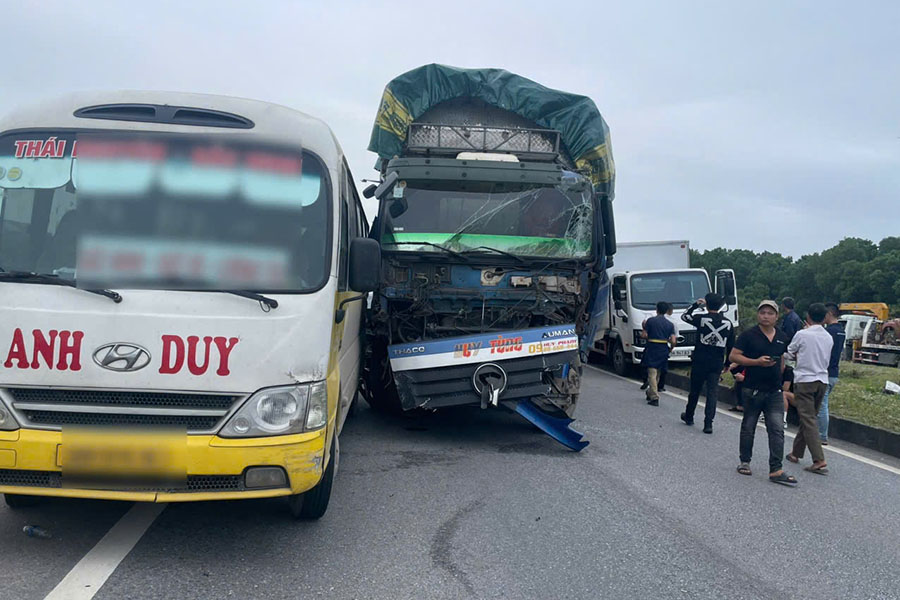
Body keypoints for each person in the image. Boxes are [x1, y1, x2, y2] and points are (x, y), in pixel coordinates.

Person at [729, 300, 796, 486]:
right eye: (762, 312)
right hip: (752, 388)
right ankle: (745, 461)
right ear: (758, 315)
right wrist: (756, 362)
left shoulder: (782, 336)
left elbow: (784, 357)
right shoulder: (748, 335)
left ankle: (776, 468)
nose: (765, 316)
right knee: (749, 425)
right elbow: (733, 356)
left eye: (770, 313)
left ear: (776, 316)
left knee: (777, 429)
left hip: (774, 390)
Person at [784, 303, 833, 474]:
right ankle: (796, 453)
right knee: (809, 418)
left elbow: (788, 353)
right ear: (825, 317)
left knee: (808, 420)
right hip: (822, 380)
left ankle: (819, 459)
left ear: (808, 316)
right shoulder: (828, 337)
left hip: (805, 380)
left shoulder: (802, 334)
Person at [679, 293, 735, 434]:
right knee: (712, 393)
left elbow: (685, 316)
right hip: (716, 362)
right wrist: (727, 362)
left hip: (699, 360)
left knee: (695, 390)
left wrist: (696, 305)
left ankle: (689, 415)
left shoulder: (701, 319)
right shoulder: (728, 323)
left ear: (707, 304)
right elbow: (731, 345)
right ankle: (708, 423)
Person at [641, 301, 676, 406]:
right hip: (664, 348)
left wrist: (644, 328)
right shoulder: (670, 324)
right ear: (666, 311)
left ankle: (654, 397)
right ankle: (650, 392)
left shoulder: (650, 321)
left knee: (652, 372)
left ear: (657, 309)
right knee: (658, 372)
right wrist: (671, 348)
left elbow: (644, 335)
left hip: (652, 347)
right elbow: (673, 340)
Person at [820, 303, 845, 445]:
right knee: (823, 403)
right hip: (835, 372)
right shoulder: (841, 331)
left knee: (822, 405)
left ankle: (822, 435)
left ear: (829, 314)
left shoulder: (828, 332)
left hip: (825, 371)